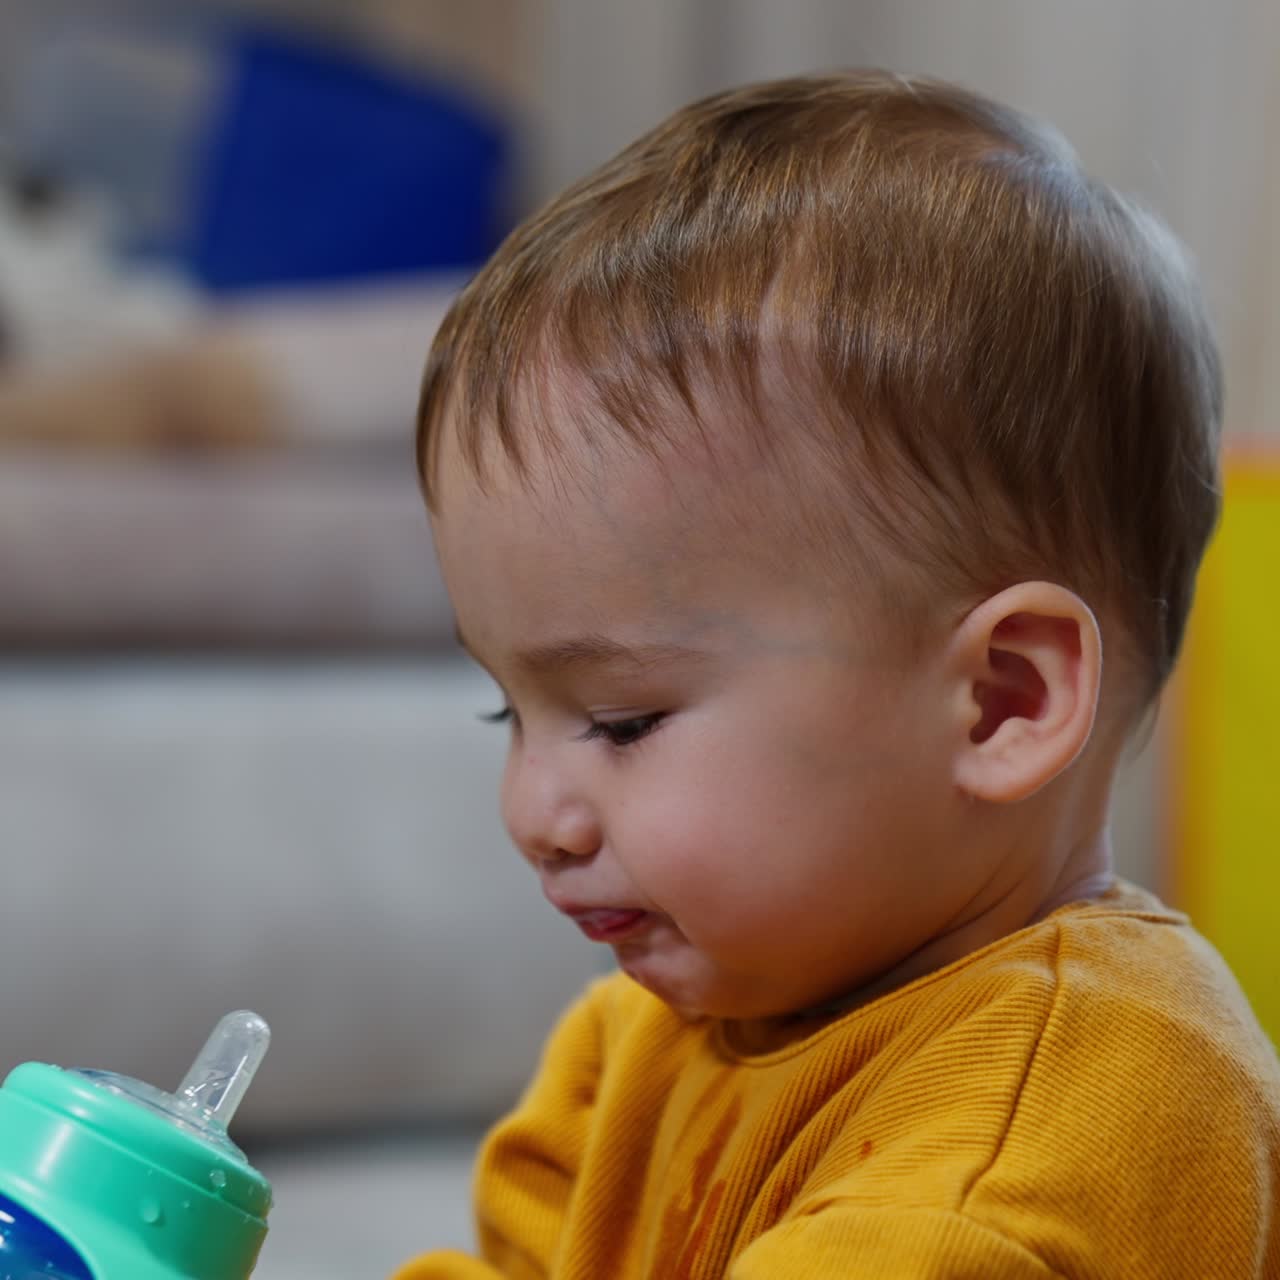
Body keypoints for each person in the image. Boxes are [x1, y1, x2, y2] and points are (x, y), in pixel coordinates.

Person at [393, 71, 1280, 1278]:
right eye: (510, 707)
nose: (527, 814)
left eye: (619, 717)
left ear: (1000, 701)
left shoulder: (1049, 1124)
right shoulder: (642, 1039)